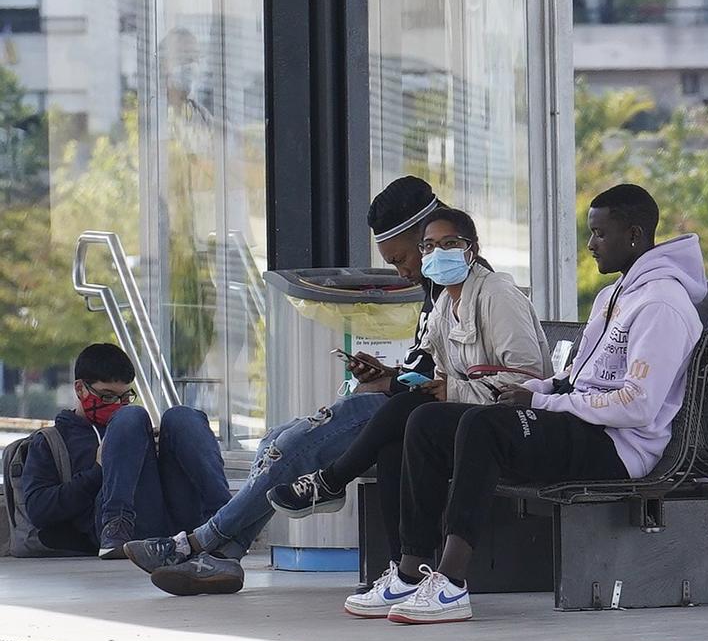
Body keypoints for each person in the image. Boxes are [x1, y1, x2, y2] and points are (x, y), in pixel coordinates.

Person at [379, 184, 706, 624]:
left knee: (483, 426)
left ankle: (451, 584)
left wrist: (543, 405)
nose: (589, 245)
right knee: (428, 420)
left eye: (599, 234)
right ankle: (411, 570)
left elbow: (637, 406)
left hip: (620, 448)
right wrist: (540, 392)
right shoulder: (615, 296)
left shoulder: (662, 305)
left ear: (633, 236)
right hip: (583, 424)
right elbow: (576, 378)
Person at [123, 176, 442, 595]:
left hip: (419, 416)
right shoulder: (435, 287)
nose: (401, 271)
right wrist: (385, 375)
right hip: (401, 402)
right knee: (276, 437)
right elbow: (429, 363)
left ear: (426, 236)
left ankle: (196, 542)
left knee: (294, 445)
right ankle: (224, 557)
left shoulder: (470, 287)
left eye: (402, 258)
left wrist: (394, 386)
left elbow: (469, 375)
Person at [266, 207, 549, 618]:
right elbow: (426, 368)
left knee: (416, 412)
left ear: (472, 250)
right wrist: (388, 375)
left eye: (449, 244)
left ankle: (331, 481)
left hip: (511, 424)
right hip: (467, 419)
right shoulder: (443, 305)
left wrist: (449, 390)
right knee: (394, 443)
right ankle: (408, 572)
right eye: (429, 247)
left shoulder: (498, 295)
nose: (437, 254)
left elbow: (527, 382)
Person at [19, 344, 229, 561]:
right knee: (131, 416)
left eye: (125, 397)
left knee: (183, 416)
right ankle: (116, 526)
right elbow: (39, 510)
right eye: (107, 396)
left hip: (177, 520)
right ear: (80, 389)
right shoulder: (52, 441)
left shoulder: (136, 428)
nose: (117, 404)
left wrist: (156, 454)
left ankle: (226, 521)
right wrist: (100, 470)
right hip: (128, 526)